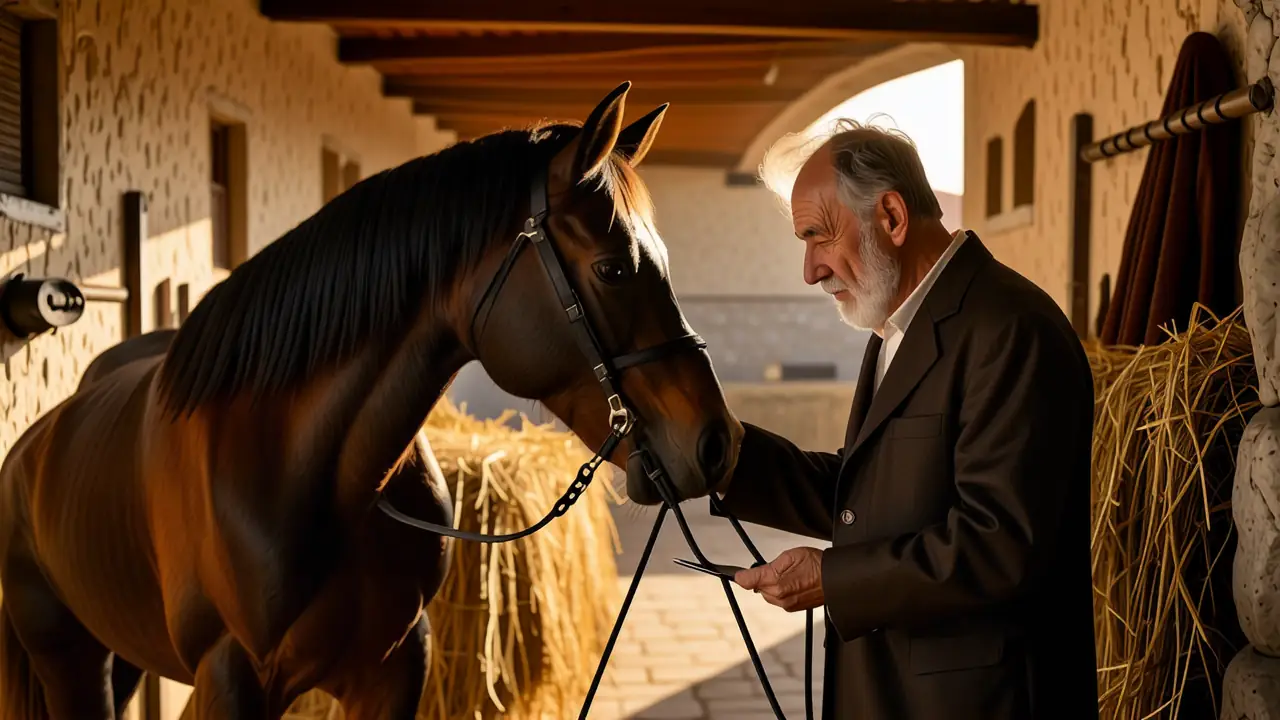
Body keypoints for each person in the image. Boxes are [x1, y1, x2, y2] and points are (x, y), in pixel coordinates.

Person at [715, 120, 1099, 720]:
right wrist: (722, 460)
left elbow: (999, 545)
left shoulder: (1011, 329)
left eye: (818, 236)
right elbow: (868, 491)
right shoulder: (897, 325)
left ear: (891, 216)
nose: (810, 270)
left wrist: (835, 580)